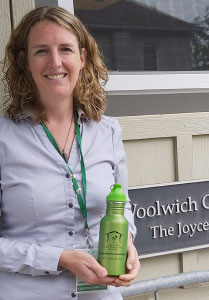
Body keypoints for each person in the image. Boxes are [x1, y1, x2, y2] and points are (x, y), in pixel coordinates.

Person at [0, 6, 140, 300]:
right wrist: (60, 258)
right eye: (41, 51)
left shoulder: (108, 132)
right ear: (25, 61)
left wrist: (126, 241)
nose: (55, 61)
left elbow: (121, 204)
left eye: (65, 48)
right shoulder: (4, 138)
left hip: (100, 294)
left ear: (82, 57)